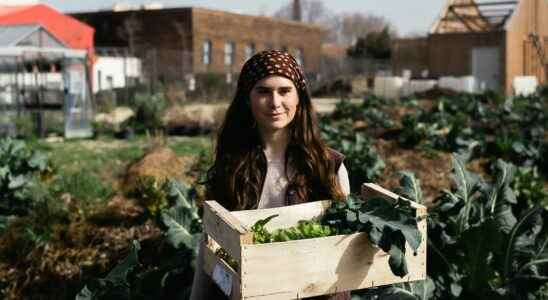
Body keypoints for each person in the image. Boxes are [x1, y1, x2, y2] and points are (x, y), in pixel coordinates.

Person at [190, 50, 351, 300]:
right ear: (247, 99)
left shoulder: (329, 166)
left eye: (284, 91)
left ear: (299, 97)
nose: (275, 102)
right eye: (263, 91)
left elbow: (344, 251)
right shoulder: (230, 167)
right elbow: (210, 242)